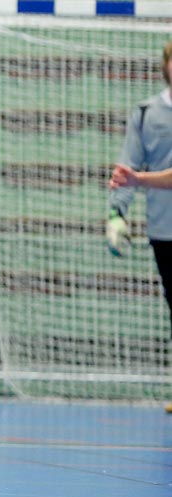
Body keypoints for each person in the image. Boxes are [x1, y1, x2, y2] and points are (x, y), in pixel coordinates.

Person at [107, 39, 172, 339]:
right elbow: (127, 168)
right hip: (164, 229)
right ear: (165, 65)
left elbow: (136, 177)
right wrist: (116, 212)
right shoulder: (146, 113)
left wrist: (140, 180)